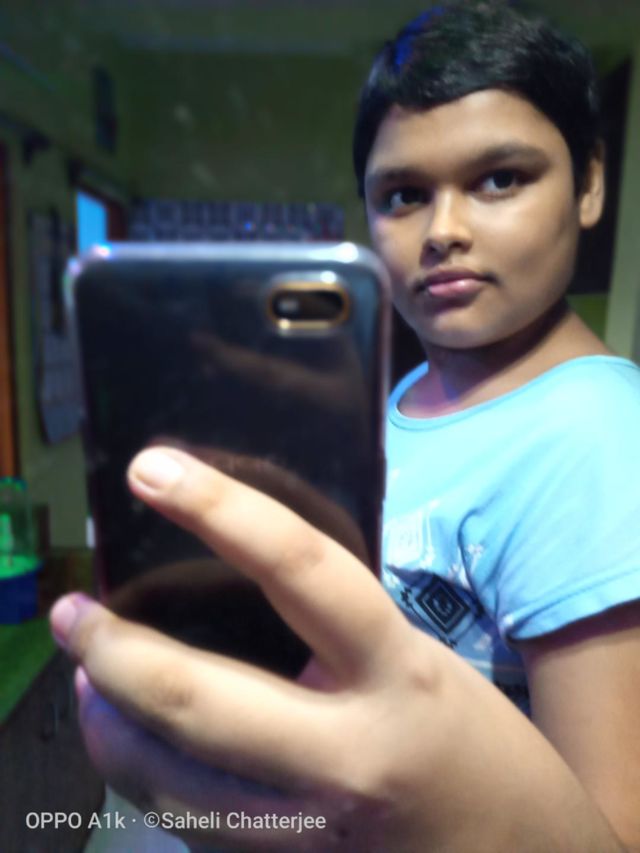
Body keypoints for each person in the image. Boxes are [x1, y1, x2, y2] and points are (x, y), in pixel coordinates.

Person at [50, 2, 640, 850]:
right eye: (403, 195)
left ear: (589, 185)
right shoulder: (402, 394)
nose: (445, 231)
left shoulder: (597, 429)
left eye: (500, 179)